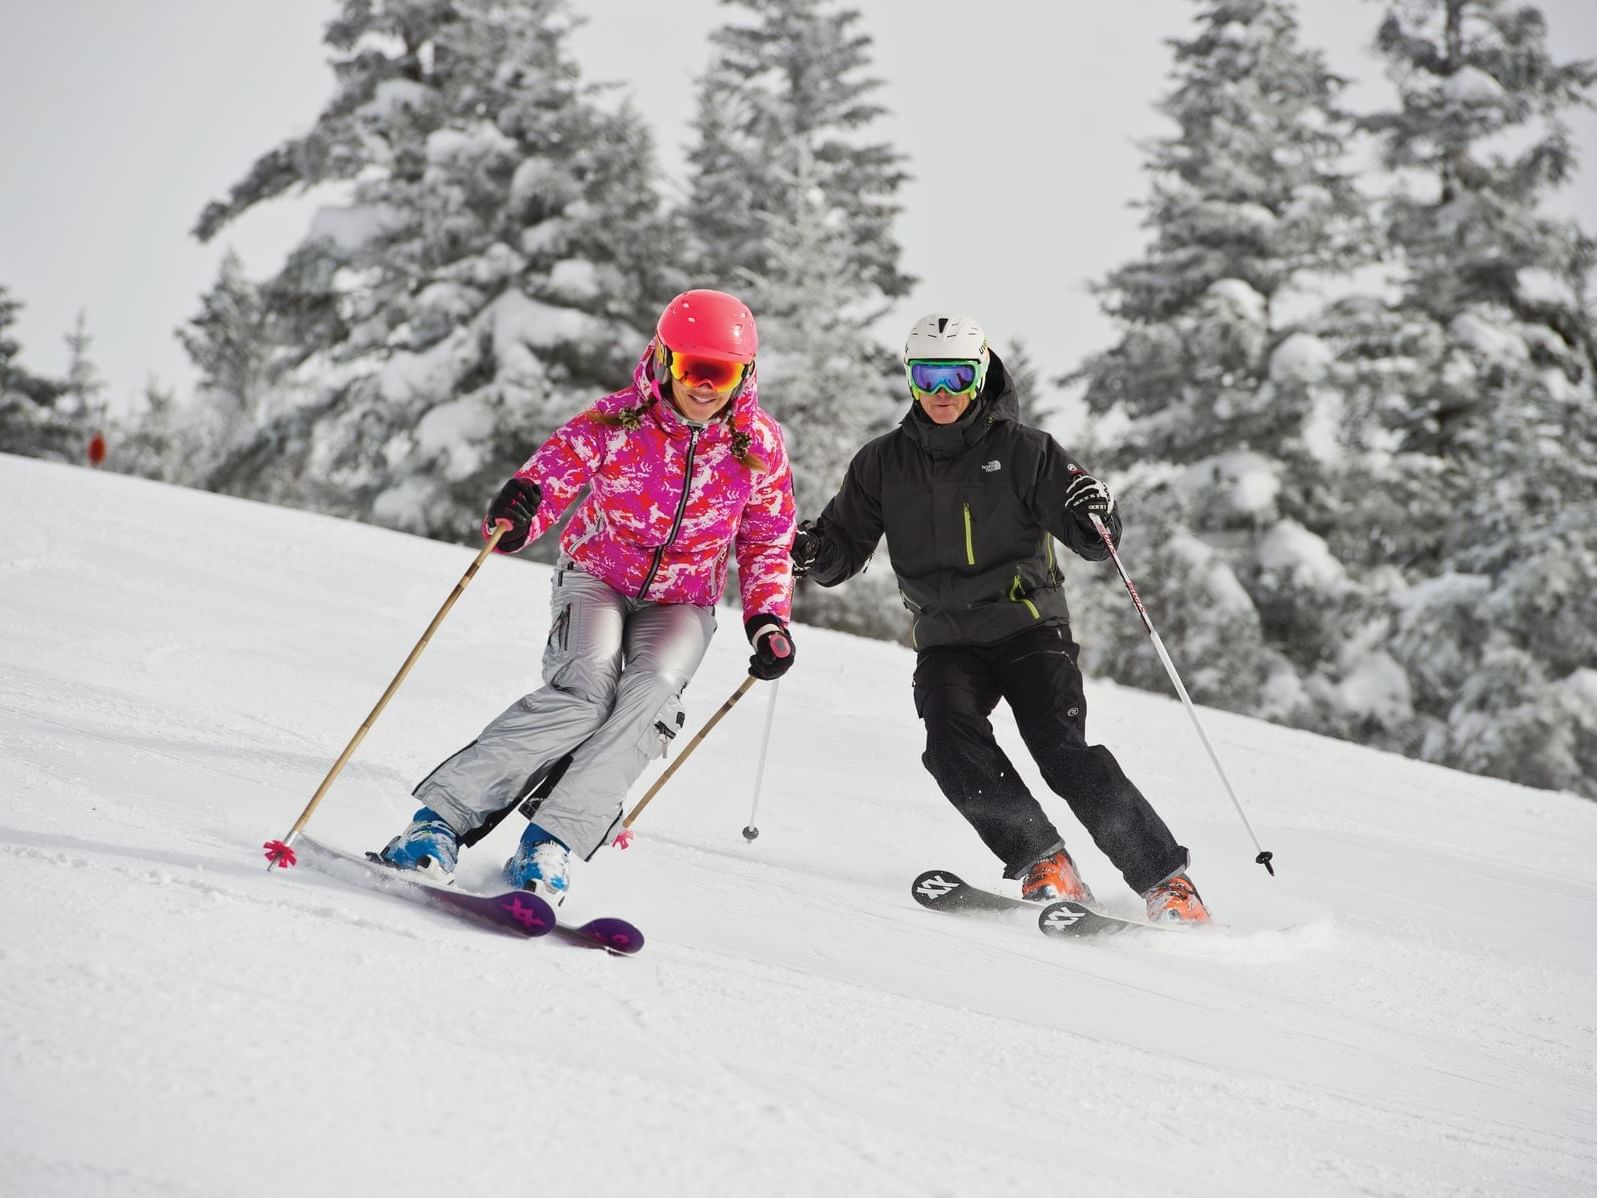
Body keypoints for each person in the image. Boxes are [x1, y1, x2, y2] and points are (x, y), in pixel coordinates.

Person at [376, 289, 798, 900]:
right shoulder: (618, 420)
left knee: (650, 698)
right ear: (663, 359)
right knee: (584, 690)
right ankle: (437, 824)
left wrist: (767, 619)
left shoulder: (756, 448)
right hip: (598, 573)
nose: (704, 386)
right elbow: (553, 472)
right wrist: (523, 509)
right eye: (691, 368)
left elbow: (767, 541)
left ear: (745, 375)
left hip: (683, 599)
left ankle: (550, 842)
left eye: (722, 372)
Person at [792, 313, 1211, 924]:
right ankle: (1044, 861)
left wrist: (1096, 513)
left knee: (1061, 750)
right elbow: (841, 551)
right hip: (946, 640)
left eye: (956, 376)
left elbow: (1092, 539)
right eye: (928, 375)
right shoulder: (881, 464)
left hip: (1028, 627)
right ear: (910, 378)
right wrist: (812, 552)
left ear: (980, 374)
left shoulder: (1026, 451)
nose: (941, 392)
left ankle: (1168, 884)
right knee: (949, 741)